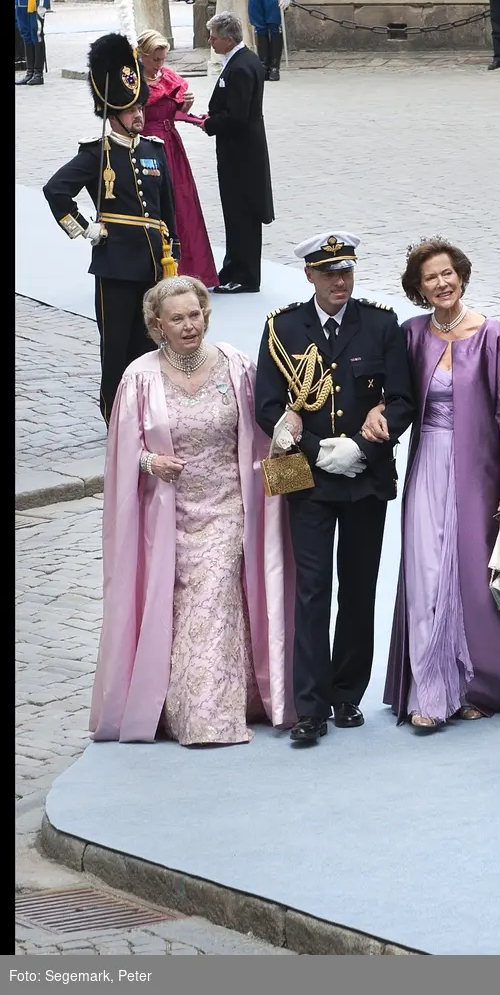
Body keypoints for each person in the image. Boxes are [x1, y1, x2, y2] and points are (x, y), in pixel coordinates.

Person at [89, 275, 295, 744]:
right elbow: (122, 450)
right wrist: (149, 460)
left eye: (195, 314)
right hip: (169, 515)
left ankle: (209, 716)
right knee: (180, 606)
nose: (188, 325)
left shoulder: (236, 366)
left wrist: (292, 493)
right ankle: (172, 704)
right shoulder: (139, 376)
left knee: (216, 591)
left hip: (230, 507)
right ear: (157, 325)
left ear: (206, 313)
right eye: (176, 318)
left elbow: (267, 435)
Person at [370, 238, 500, 730]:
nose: (441, 283)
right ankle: (430, 690)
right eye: (430, 277)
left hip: (479, 473)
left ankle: (476, 685)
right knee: (426, 570)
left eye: (448, 273)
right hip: (427, 464)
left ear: (462, 275)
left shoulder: (496, 337)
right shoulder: (411, 334)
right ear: (418, 287)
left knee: (474, 578)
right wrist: (376, 413)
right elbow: (396, 397)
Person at [254, 232, 416, 747]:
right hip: (307, 479)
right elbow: (267, 404)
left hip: (364, 477)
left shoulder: (381, 323)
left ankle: (347, 694)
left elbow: (404, 399)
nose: (339, 282)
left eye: (345, 271)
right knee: (311, 590)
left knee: (359, 586)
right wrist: (316, 450)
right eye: (328, 274)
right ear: (309, 276)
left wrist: (363, 450)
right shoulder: (283, 327)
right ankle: (310, 706)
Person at [43, 2, 179, 424]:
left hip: (155, 266)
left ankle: (148, 416)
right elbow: (56, 191)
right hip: (116, 265)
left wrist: (174, 261)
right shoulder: (95, 152)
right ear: (113, 112)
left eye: (140, 108)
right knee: (117, 348)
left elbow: (168, 215)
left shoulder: (155, 152)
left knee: (153, 344)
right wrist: (85, 228)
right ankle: (115, 419)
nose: (139, 115)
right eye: (131, 110)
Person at [136, 27, 219, 289]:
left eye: (163, 59)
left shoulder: (167, 76)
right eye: (156, 59)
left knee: (183, 204)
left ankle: (192, 268)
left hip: (172, 148)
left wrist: (185, 107)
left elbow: (172, 113)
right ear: (143, 56)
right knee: (157, 206)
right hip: (148, 149)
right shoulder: (134, 81)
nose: (160, 65)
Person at [201, 11, 273, 294]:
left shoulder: (241, 68)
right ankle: (233, 268)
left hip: (241, 154)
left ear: (229, 39)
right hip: (242, 150)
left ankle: (244, 275)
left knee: (241, 213)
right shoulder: (245, 60)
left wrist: (209, 123)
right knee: (236, 213)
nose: (210, 42)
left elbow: (238, 116)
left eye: (214, 38)